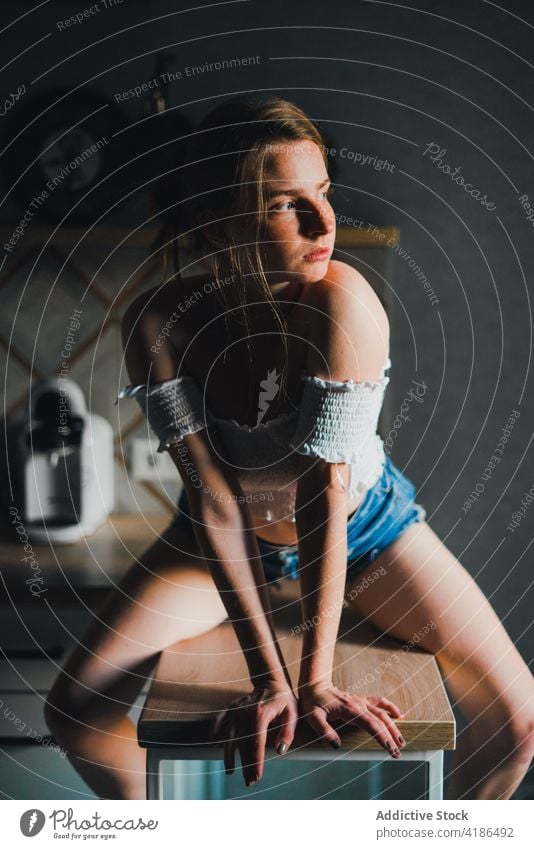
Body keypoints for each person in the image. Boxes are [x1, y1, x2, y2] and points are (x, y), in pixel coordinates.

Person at [45, 98, 534, 800]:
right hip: (221, 534)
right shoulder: (159, 321)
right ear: (220, 221)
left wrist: (315, 683)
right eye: (285, 204)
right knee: (75, 710)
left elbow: (323, 491)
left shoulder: (344, 303)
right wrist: (267, 677)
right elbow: (214, 499)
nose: (325, 221)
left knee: (517, 724)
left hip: (365, 531)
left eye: (324, 193)